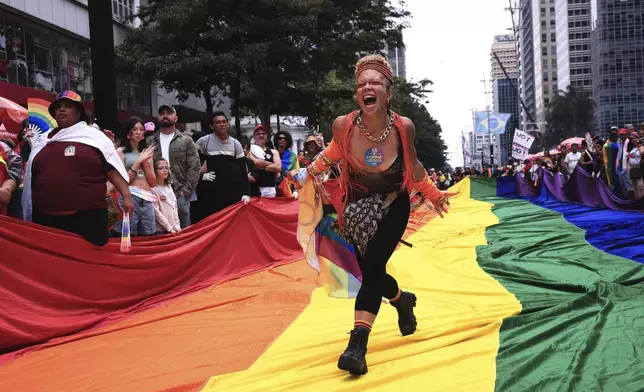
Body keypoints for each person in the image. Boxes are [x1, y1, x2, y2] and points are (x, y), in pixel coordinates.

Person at [288, 55, 456, 375]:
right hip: (357, 210)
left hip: (394, 204)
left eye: (375, 82)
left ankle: (357, 346)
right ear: (357, 94)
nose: (367, 87)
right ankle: (401, 300)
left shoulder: (403, 127)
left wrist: (433, 194)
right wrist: (309, 172)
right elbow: (333, 153)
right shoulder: (344, 125)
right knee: (372, 273)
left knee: (374, 266)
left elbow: (413, 167)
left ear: (387, 92)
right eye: (362, 83)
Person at [22, 91, 132, 246]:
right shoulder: (44, 140)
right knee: (51, 265)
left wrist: (127, 196)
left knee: (89, 265)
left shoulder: (95, 137)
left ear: (78, 112)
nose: (61, 109)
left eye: (67, 106)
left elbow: (112, 169)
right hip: (46, 219)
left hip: (87, 219)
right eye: (58, 107)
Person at [147, 105, 200, 228]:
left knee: (183, 228)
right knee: (160, 227)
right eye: (162, 113)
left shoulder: (186, 140)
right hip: (157, 191)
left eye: (169, 113)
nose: (165, 115)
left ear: (175, 118)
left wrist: (186, 191)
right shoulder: (150, 140)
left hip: (179, 191)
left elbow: (195, 167)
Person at [195, 112, 251, 219]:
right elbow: (191, 164)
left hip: (232, 193)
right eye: (218, 122)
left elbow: (243, 170)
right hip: (211, 194)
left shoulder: (236, 144)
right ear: (212, 126)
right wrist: (201, 176)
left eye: (224, 122)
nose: (221, 124)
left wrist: (246, 193)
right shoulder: (204, 142)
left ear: (227, 124)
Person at [114, 117, 157, 236]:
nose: (138, 132)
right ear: (128, 133)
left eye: (141, 129)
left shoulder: (146, 152)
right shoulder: (120, 152)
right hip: (130, 197)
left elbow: (153, 182)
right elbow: (122, 181)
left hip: (147, 198)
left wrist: (146, 163)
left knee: (148, 234)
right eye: (134, 129)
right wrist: (138, 162)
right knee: (129, 234)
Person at [249, 125, 281, 197]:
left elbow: (278, 167)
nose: (261, 135)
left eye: (263, 134)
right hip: (253, 188)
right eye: (258, 134)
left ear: (267, 136)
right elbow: (256, 163)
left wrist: (261, 166)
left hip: (269, 188)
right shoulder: (249, 151)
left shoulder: (273, 152)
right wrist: (271, 165)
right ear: (254, 137)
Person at [152, 158, 181, 235]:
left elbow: (174, 207)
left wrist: (177, 226)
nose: (165, 170)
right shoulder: (153, 189)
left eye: (166, 168)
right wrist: (169, 228)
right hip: (160, 230)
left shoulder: (169, 187)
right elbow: (157, 212)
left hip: (174, 229)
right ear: (154, 171)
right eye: (161, 168)